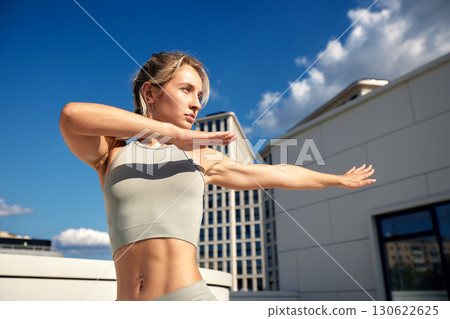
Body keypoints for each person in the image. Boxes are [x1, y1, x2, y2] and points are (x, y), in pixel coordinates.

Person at [59, 51, 376, 301]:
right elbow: (72, 115)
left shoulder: (202, 157)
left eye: (199, 95)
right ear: (150, 93)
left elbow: (278, 173)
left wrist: (335, 179)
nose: (196, 103)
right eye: (186, 90)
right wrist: (170, 133)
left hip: (187, 301)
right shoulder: (111, 154)